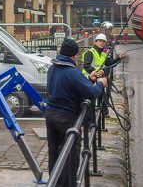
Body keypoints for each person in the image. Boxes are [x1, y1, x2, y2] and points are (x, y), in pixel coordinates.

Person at [45, 39, 108, 187]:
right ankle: (68, 184)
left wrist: (89, 78)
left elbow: (70, 85)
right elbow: (92, 93)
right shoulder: (72, 72)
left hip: (50, 115)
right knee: (70, 154)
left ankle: (54, 182)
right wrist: (100, 83)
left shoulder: (52, 68)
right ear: (74, 56)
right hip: (66, 119)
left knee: (53, 152)